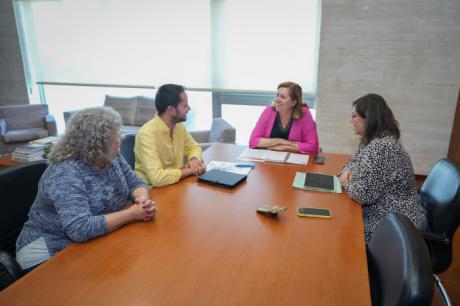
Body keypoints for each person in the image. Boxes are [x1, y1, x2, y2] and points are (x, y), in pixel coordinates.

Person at [16, 107, 156, 272]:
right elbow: (80, 229)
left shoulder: (110, 155)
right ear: (95, 145)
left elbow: (136, 182)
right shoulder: (65, 172)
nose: (120, 142)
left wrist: (142, 199)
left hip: (93, 239)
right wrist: (132, 214)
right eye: (114, 139)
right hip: (49, 251)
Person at [338, 93, 428, 243]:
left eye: (354, 116)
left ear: (368, 118)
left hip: (396, 222)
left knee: (343, 233)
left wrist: (346, 182)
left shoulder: (381, 147)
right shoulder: (370, 141)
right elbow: (351, 163)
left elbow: (364, 195)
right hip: (385, 212)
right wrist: (347, 173)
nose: (350, 120)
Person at [134, 84, 205, 187]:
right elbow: (157, 178)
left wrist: (194, 159)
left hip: (176, 184)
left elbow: (194, 147)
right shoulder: (146, 135)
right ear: (171, 110)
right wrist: (190, 170)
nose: (189, 108)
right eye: (185, 105)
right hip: (152, 192)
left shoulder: (179, 126)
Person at [249, 81, 319, 154]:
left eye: (283, 97)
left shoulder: (304, 114)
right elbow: (253, 141)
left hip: (294, 162)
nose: (277, 100)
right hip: (269, 160)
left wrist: (286, 147)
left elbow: (313, 146)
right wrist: (281, 141)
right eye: (277, 95)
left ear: (294, 102)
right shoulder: (269, 111)